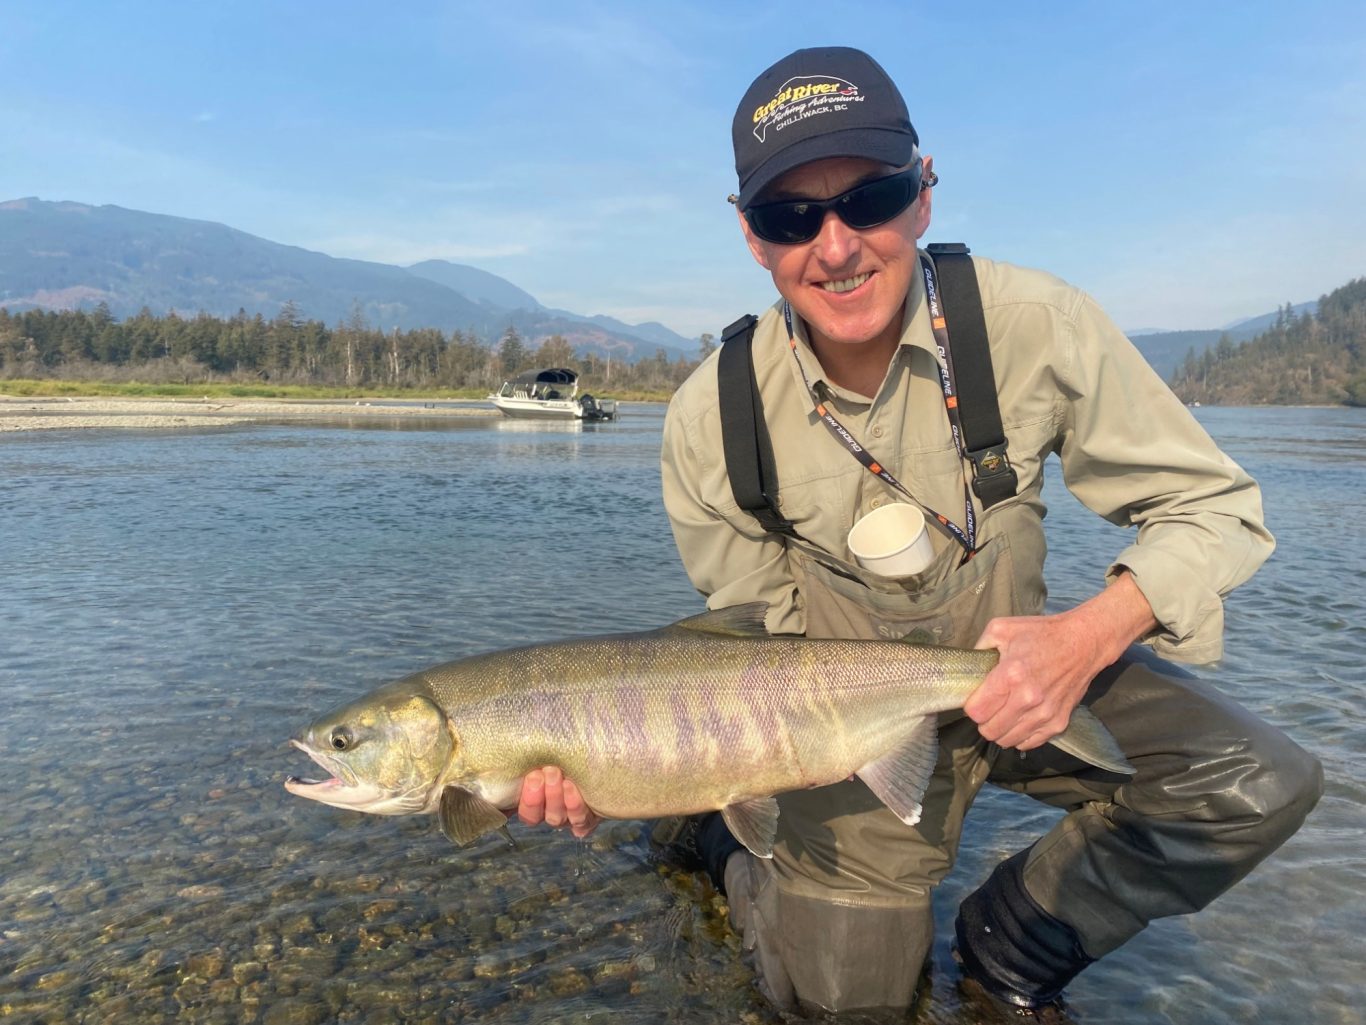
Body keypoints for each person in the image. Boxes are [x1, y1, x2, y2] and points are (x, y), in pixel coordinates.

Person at [516, 46, 1322, 1021]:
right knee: (850, 1008)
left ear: (923, 194)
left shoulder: (1033, 326)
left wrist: (1089, 632)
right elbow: (751, 648)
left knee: (1254, 782)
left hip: (1022, 676)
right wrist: (638, 764)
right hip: (836, 723)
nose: (837, 244)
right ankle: (724, 845)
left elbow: (1216, 507)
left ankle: (1016, 938)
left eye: (871, 196)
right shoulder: (707, 416)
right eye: (789, 215)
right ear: (750, 237)